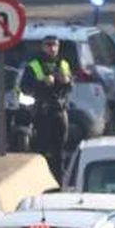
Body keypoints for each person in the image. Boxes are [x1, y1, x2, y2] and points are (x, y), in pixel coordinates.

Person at [23, 33, 74, 178]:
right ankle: (41, 178)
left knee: (60, 150)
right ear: (42, 47)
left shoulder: (63, 64)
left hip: (60, 111)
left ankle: (59, 179)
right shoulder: (34, 65)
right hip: (42, 111)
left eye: (55, 45)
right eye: (48, 45)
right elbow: (25, 87)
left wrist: (66, 82)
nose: (52, 48)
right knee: (42, 149)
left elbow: (70, 87)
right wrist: (42, 82)